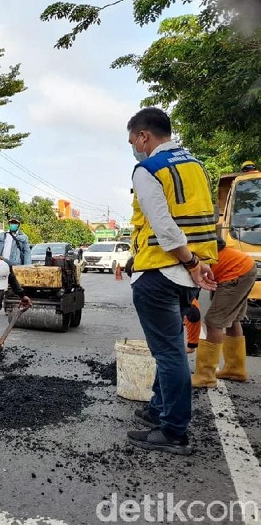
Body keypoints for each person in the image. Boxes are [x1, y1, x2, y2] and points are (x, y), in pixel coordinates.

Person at [125, 107, 218, 456]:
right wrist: (197, 263)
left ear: (144, 136)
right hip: (186, 273)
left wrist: (191, 262)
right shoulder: (195, 165)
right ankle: (157, 408)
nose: (134, 146)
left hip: (165, 270)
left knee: (169, 353)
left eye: (133, 139)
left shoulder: (148, 169)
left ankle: (173, 431)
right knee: (172, 347)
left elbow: (165, 227)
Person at [191, 237, 256, 387]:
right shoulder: (200, 239)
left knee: (214, 322)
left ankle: (205, 376)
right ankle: (234, 370)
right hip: (244, 267)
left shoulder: (187, 247)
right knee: (233, 319)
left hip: (235, 273)